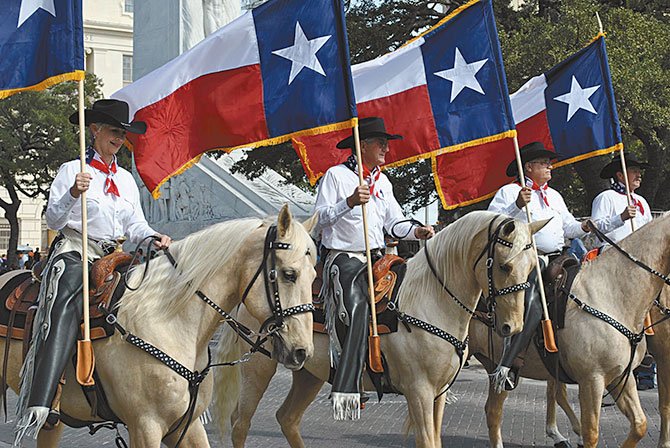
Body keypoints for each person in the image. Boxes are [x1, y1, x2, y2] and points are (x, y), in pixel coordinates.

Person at [15, 99, 172, 441]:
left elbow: (135, 226)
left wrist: (153, 236)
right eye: (115, 132)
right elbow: (53, 220)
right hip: (75, 250)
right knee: (67, 299)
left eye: (123, 134)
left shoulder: (127, 180)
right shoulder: (72, 170)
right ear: (95, 130)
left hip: (114, 255)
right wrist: (74, 192)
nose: (119, 139)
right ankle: (45, 398)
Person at [486, 141, 636, 392]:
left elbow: (569, 227)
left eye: (549, 163)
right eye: (545, 163)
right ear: (529, 167)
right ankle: (511, 361)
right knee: (534, 300)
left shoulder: (554, 195)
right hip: (526, 259)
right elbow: (492, 225)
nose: (550, 167)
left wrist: (587, 226)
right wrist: (517, 206)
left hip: (559, 257)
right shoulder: (508, 192)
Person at [314, 117, 434, 420]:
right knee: (356, 305)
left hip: (377, 257)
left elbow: (394, 222)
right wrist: (349, 202)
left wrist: (416, 231)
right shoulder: (336, 176)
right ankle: (347, 385)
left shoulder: (383, 181)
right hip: (343, 257)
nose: (386, 148)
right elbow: (318, 220)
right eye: (381, 142)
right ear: (362, 145)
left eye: (386, 142)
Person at [592, 153, 654, 390]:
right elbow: (594, 231)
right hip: (614, 262)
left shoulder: (642, 202)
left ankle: (647, 361)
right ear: (620, 175)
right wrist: (620, 218)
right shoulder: (605, 198)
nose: (639, 174)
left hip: (642, 265)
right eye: (634, 170)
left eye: (639, 170)